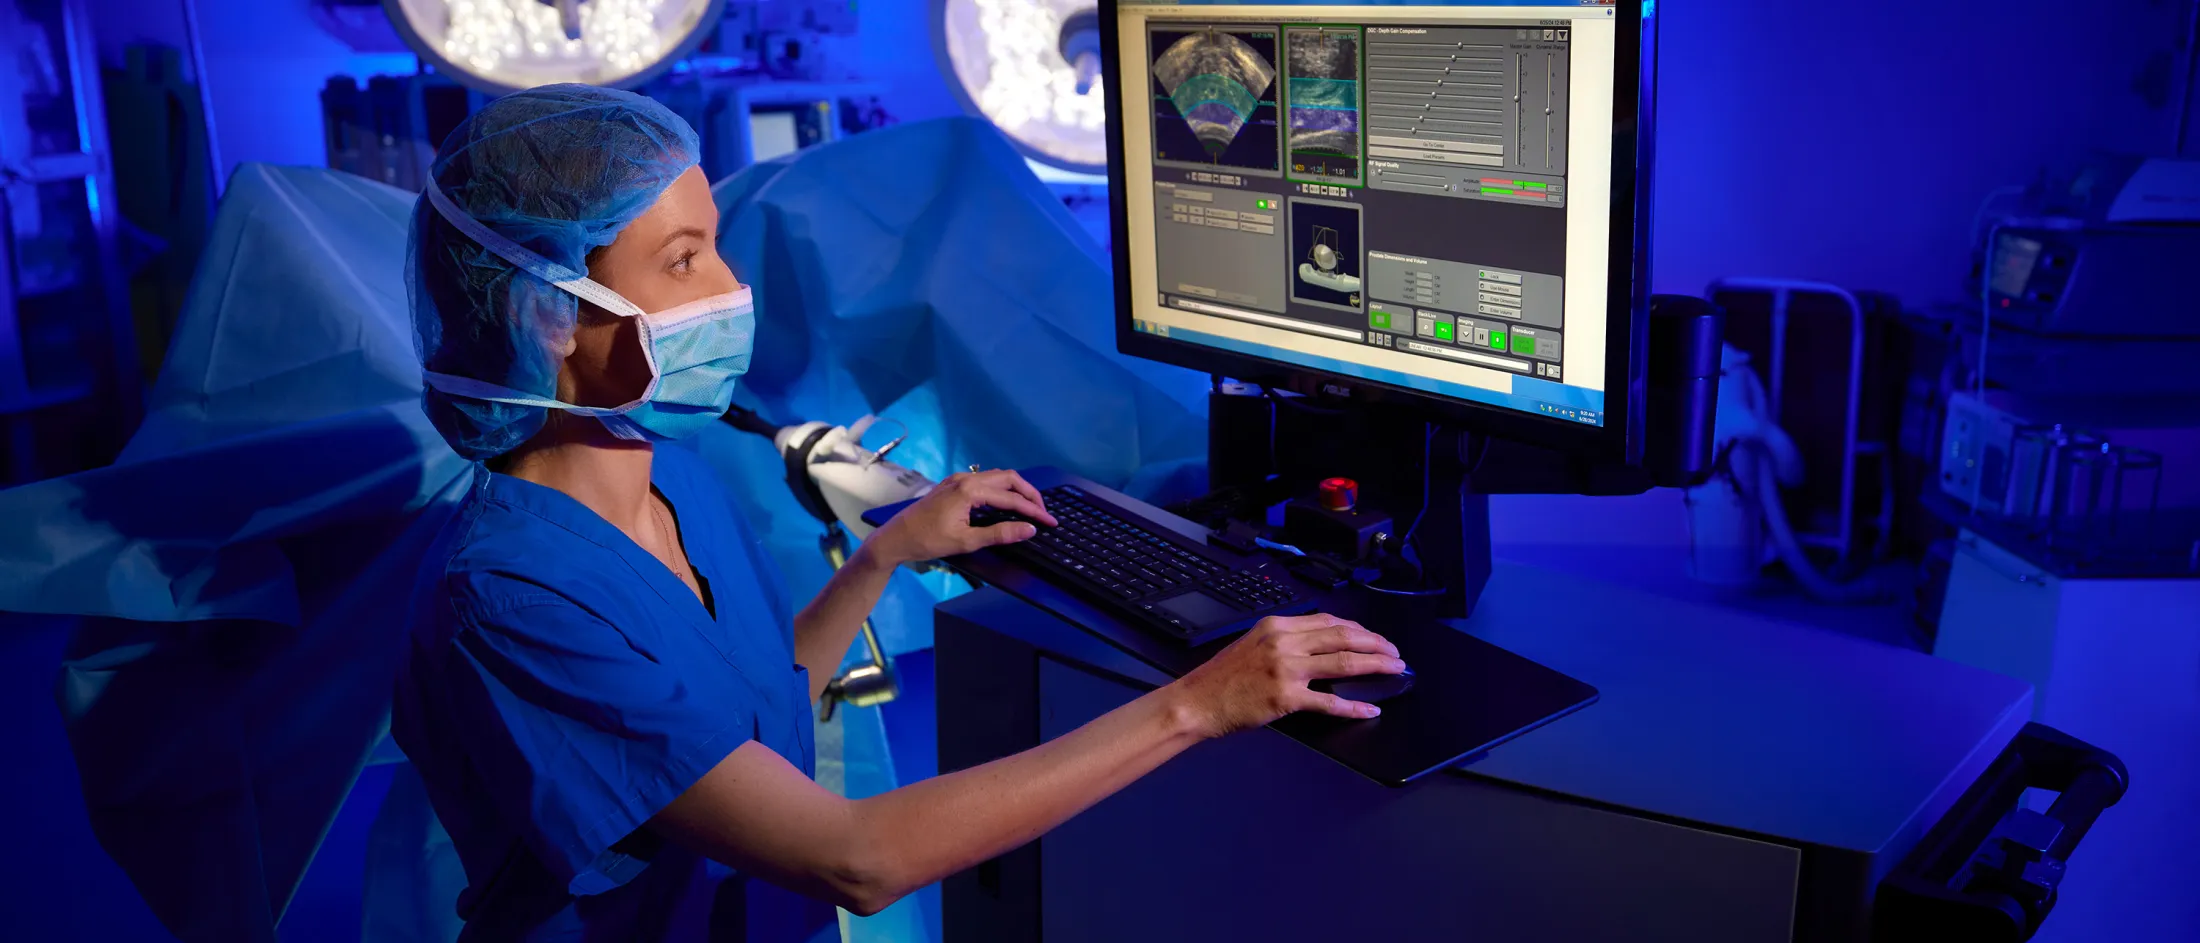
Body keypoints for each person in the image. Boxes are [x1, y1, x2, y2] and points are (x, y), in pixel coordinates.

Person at [393, 84, 1406, 942]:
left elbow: (744, 706)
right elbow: (855, 860)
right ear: (549, 315)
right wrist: (1198, 704)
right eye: (684, 260)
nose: (734, 288)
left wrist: (883, 557)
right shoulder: (511, 596)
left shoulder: (668, 475)